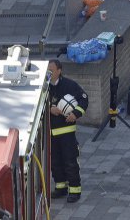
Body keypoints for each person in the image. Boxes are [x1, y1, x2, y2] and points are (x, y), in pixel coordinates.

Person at [47, 59, 89, 204]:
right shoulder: (44, 87)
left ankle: (75, 190)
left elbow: (84, 99)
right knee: (55, 163)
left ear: (59, 71)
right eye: (48, 70)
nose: (49, 73)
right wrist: (49, 108)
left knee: (70, 161)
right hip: (51, 133)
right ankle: (60, 187)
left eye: (51, 70)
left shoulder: (70, 85)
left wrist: (75, 114)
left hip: (66, 132)